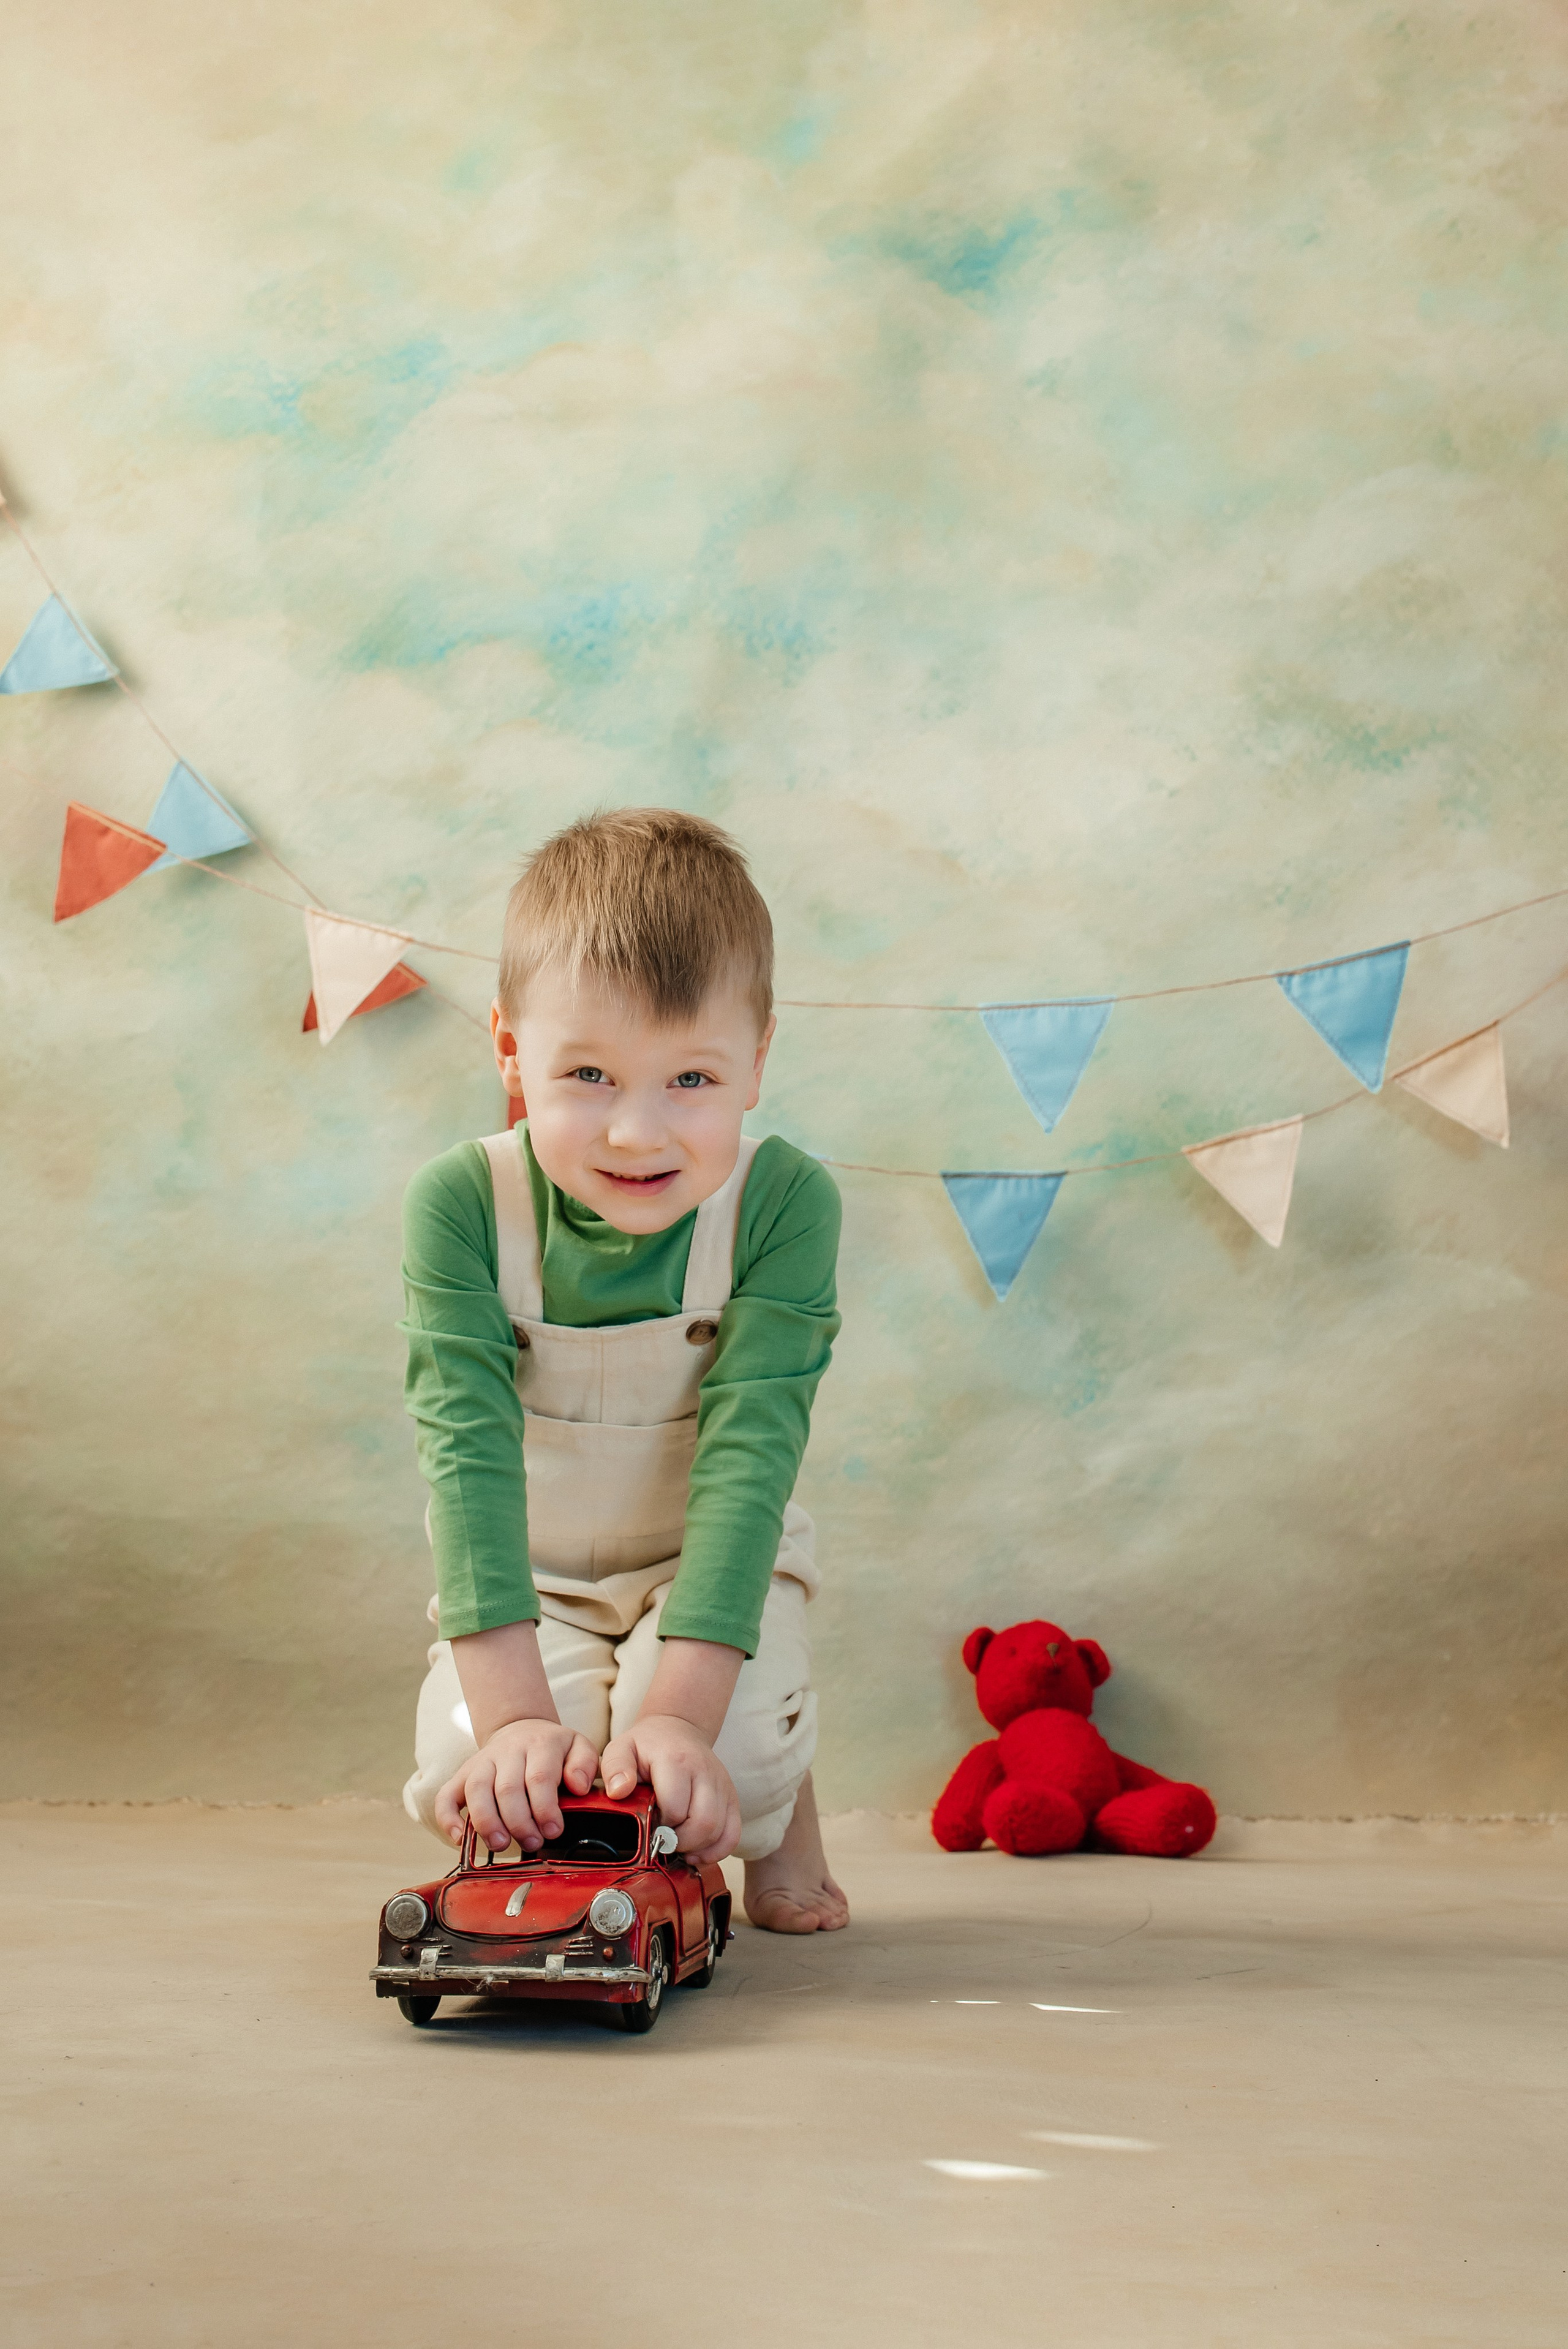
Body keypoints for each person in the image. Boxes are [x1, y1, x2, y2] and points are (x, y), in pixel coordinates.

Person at [399, 807, 849, 1933]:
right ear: (510, 1050)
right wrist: (510, 1723)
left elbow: (750, 1465)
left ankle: (783, 1807)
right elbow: (464, 1460)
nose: (638, 1134)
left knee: (712, 1769)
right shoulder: (460, 1205)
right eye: (589, 1073)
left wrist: (689, 1724)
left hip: (706, 1566)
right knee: (488, 1779)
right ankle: (586, 1721)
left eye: (691, 1078)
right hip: (531, 1576)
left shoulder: (785, 1203)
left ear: (759, 1057)